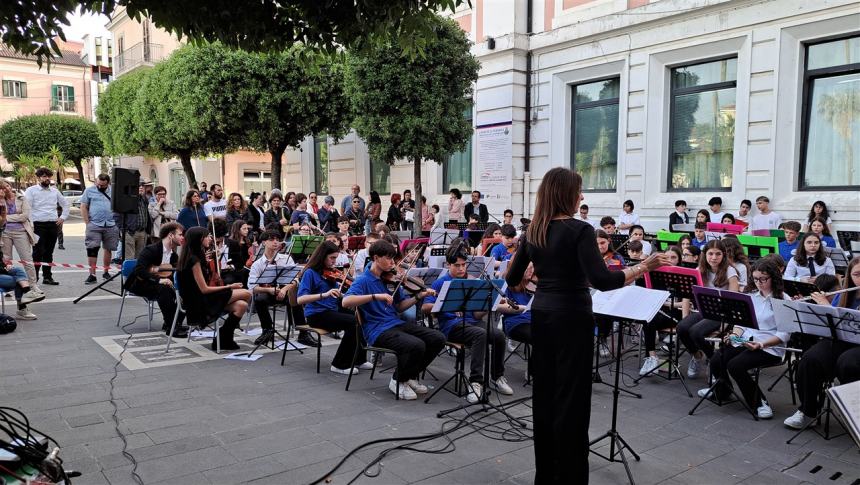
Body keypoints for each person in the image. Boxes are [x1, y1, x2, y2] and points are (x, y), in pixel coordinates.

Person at [505, 168, 665, 483]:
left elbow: (512, 279)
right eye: (579, 191)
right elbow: (603, 280)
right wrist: (643, 267)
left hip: (543, 315)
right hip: (573, 317)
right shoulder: (579, 230)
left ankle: (546, 476)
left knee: (546, 395)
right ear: (566, 194)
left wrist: (531, 276)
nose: (582, 196)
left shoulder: (533, 231)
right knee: (572, 399)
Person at [342, 240, 444, 400]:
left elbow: (400, 307)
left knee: (437, 338)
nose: (393, 263)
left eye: (393, 258)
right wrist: (375, 296)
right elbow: (345, 302)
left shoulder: (390, 279)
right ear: (376, 258)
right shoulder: (363, 280)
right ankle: (398, 380)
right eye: (389, 258)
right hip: (376, 330)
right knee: (416, 345)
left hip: (395, 323)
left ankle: (409, 376)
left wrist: (419, 296)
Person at [697, 259, 789, 419]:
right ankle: (722, 390)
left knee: (735, 365)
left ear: (773, 278)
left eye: (763, 279)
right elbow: (742, 323)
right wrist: (735, 335)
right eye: (755, 279)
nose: (759, 283)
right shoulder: (751, 297)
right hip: (747, 340)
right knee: (717, 359)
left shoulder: (783, 300)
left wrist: (761, 344)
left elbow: (784, 335)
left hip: (769, 346)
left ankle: (760, 402)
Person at [423, 243, 513, 403]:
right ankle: (475, 382)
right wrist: (442, 303)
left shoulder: (472, 282)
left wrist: (488, 305)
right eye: (457, 265)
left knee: (498, 335)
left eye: (464, 265)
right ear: (448, 265)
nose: (461, 269)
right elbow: (424, 307)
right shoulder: (440, 283)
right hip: (451, 326)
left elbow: (477, 315)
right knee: (481, 335)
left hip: (471, 323)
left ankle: (496, 376)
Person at [785, 257, 860, 429]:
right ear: (850, 276)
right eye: (857, 274)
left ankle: (853, 413)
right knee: (810, 359)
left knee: (848, 363)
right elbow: (829, 323)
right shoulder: (843, 294)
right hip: (840, 339)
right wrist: (822, 306)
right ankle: (807, 411)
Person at [296, 240, 374, 374]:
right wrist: (324, 295)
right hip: (316, 314)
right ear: (322, 256)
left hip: (332, 310)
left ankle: (359, 359)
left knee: (361, 316)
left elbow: (339, 294)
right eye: (332, 258)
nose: (334, 261)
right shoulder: (310, 273)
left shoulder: (331, 273)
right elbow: (300, 299)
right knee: (353, 323)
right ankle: (339, 364)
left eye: (336, 258)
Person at [177, 226, 251, 350]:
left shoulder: (193, 257)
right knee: (247, 293)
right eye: (207, 236)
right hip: (198, 303)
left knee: (242, 305)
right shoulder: (194, 260)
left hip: (203, 298)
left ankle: (223, 336)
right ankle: (223, 334)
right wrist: (228, 287)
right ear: (199, 239)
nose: (210, 238)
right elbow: (204, 289)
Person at [677, 240, 740, 379]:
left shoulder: (730, 271)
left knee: (696, 332)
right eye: (710, 254)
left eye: (718, 254)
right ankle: (697, 356)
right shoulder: (699, 270)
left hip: (722, 314)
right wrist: (685, 317)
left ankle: (713, 362)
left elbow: (733, 300)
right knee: (681, 328)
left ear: (723, 255)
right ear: (704, 255)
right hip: (704, 310)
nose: (714, 257)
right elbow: (687, 296)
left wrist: (726, 325)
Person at [124, 222, 188, 338]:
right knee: (164, 289)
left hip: (160, 286)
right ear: (170, 235)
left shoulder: (174, 256)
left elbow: (175, 274)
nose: (182, 237)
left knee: (186, 292)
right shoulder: (151, 250)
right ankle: (171, 326)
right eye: (180, 234)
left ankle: (174, 323)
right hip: (141, 283)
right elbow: (139, 270)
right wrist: (159, 280)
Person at [639, 246, 684, 376]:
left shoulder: (684, 275)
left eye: (674, 257)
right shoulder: (657, 274)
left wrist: (669, 303)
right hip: (660, 311)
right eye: (667, 257)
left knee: (650, 320)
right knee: (647, 319)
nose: (670, 260)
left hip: (677, 313)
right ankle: (652, 357)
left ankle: (651, 358)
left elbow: (687, 303)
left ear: (679, 259)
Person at [25, 167, 68, 286]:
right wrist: (31, 224)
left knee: (49, 252)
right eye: (44, 176)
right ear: (38, 178)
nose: (47, 178)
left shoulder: (55, 191)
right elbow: (27, 208)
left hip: (52, 224)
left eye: (49, 176)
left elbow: (65, 204)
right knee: (38, 252)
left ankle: (47, 277)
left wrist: (63, 217)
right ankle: (34, 279)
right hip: (38, 225)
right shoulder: (31, 190)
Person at [79, 174, 119, 285]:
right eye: (98, 184)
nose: (100, 186)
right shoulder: (89, 191)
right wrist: (88, 223)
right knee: (92, 249)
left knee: (108, 248)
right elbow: (83, 206)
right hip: (94, 224)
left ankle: (106, 272)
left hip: (110, 224)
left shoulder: (114, 191)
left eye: (103, 185)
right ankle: (92, 274)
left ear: (108, 183)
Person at [120, 185, 153, 260]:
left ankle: (137, 272)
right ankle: (130, 272)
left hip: (142, 232)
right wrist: (122, 229)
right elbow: (117, 215)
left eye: (142, 186)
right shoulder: (127, 199)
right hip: (130, 232)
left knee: (140, 257)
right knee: (130, 258)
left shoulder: (144, 199)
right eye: (138, 186)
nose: (141, 188)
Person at [225, 220, 251, 286]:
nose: (247, 230)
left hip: (246, 267)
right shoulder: (232, 242)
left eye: (247, 228)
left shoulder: (247, 241)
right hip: (237, 269)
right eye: (244, 229)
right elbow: (231, 259)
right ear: (238, 230)